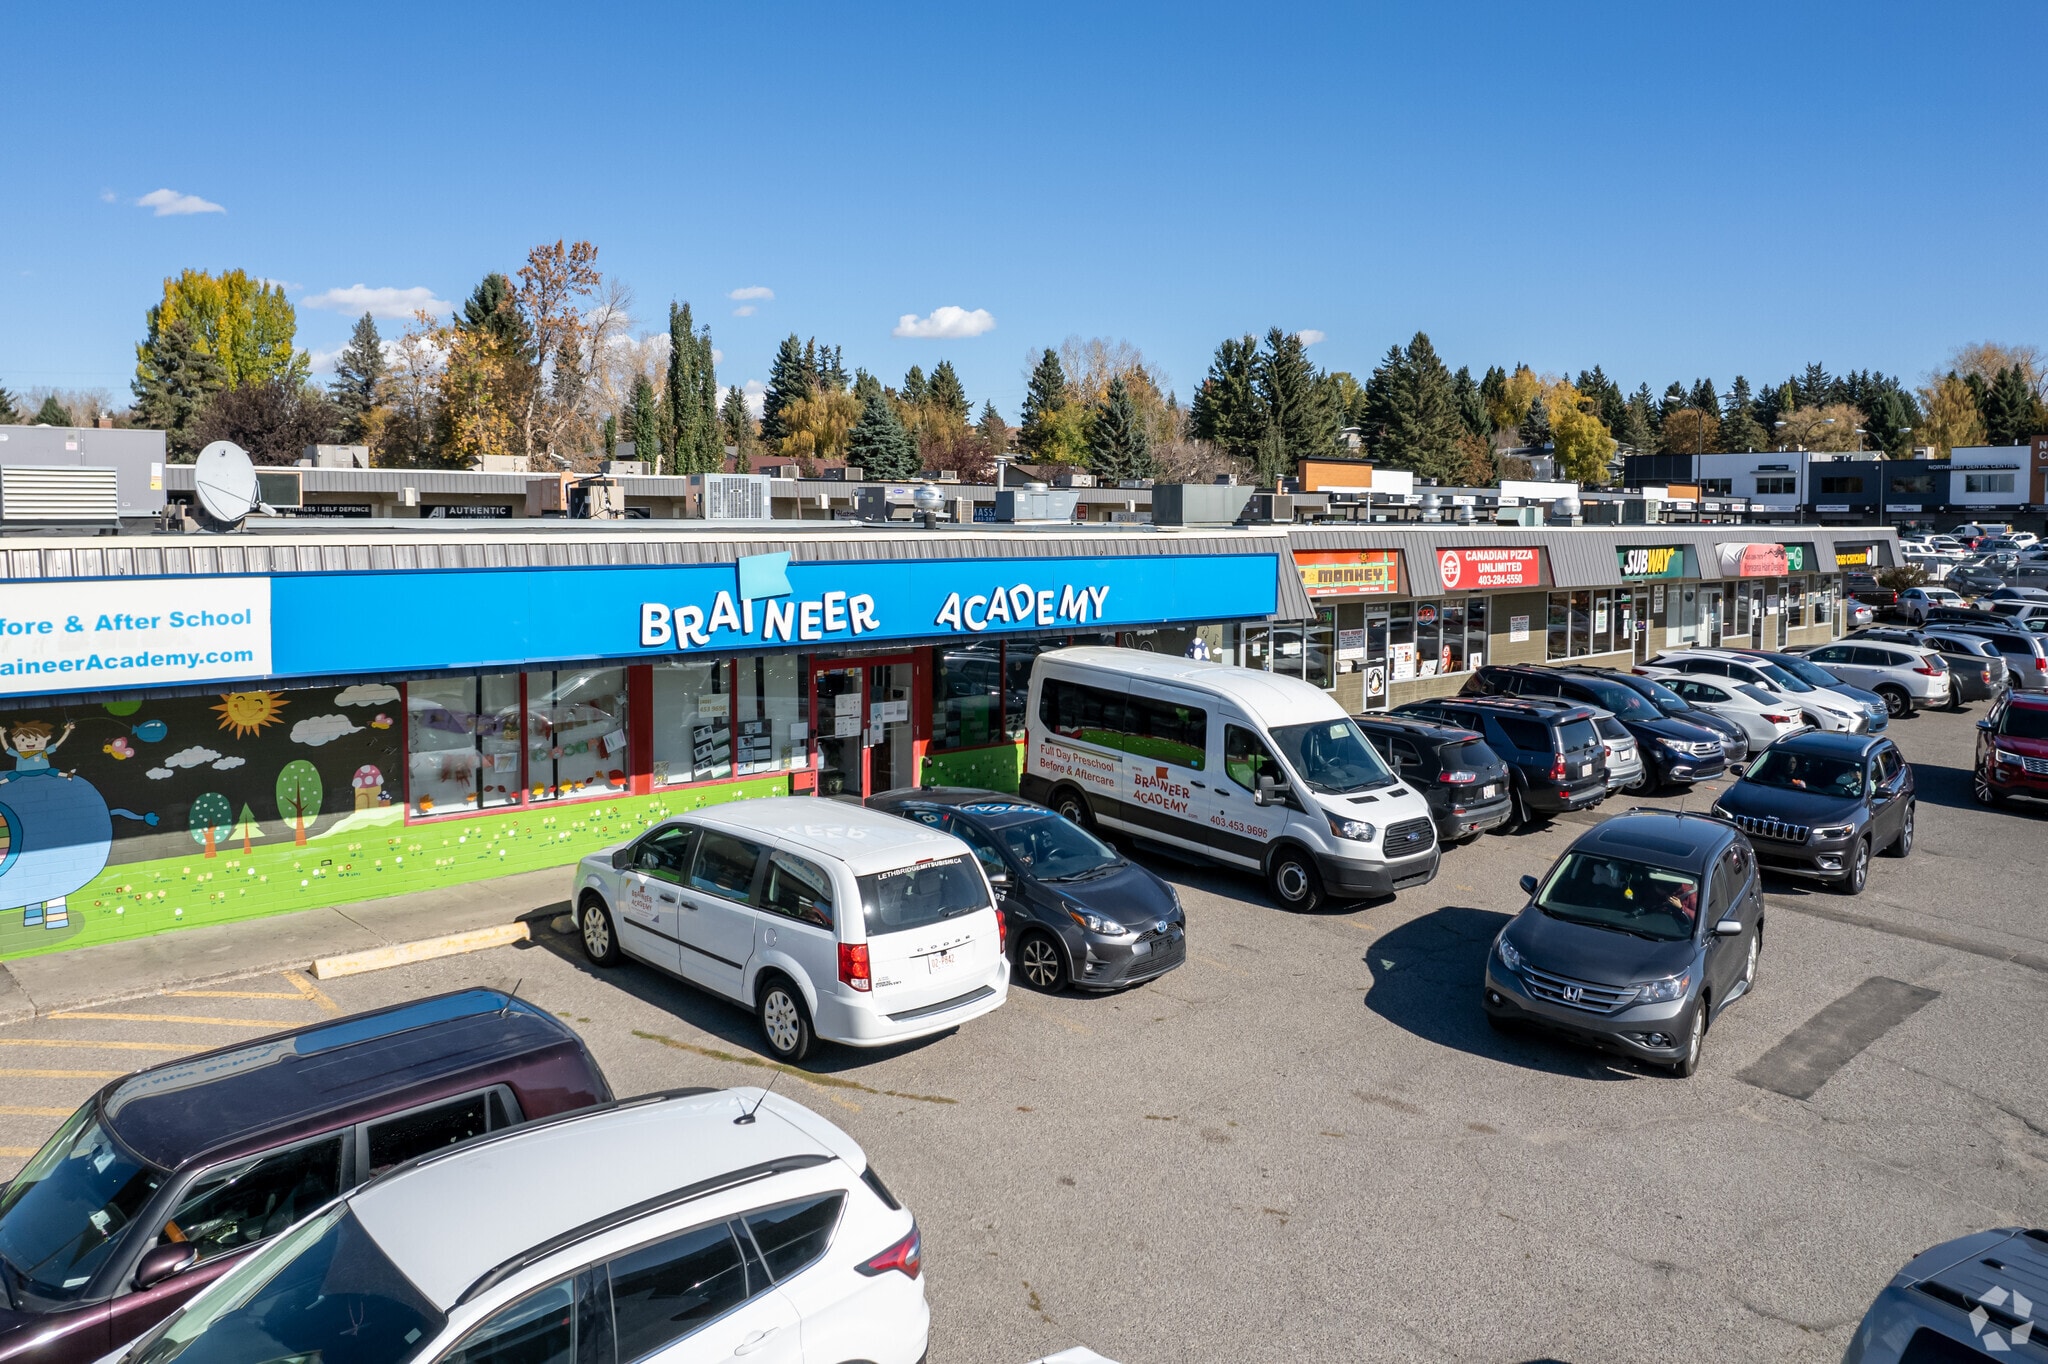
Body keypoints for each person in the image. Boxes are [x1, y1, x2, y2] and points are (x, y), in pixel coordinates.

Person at [3, 719, 74, 778]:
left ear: (46, 738)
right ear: (15, 740)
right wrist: (1, 734)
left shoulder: (43, 752)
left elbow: (57, 743)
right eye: (23, 740)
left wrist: (67, 731)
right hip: (23, 771)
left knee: (51, 771)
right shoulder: (20, 754)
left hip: (42, 770)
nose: (30, 742)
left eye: (36, 739)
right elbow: (7, 748)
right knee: (13, 776)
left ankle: (68, 775)